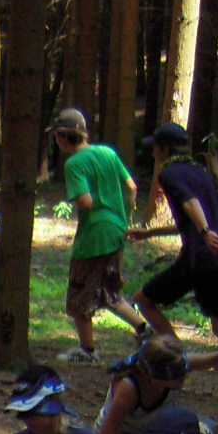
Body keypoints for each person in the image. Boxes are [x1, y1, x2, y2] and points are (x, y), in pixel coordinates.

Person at [127, 122, 218, 392]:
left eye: (155, 148)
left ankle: (176, 360)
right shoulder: (199, 171)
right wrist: (151, 233)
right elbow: (191, 218)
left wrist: (205, 232)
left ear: (164, 149)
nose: (153, 153)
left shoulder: (169, 173)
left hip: (198, 260)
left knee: (144, 300)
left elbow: (191, 203)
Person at [51, 108, 147, 364]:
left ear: (63, 136)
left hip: (94, 236)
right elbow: (132, 186)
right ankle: (145, 332)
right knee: (110, 292)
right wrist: (124, 215)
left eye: (56, 136)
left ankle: (88, 350)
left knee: (79, 293)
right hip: (117, 231)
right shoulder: (107, 152)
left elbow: (85, 202)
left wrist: (74, 201)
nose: (56, 141)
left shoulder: (74, 164)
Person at [93, 333, 218, 434]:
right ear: (152, 376)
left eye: (184, 369)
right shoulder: (128, 389)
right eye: (176, 374)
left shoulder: (174, 364)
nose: (184, 377)